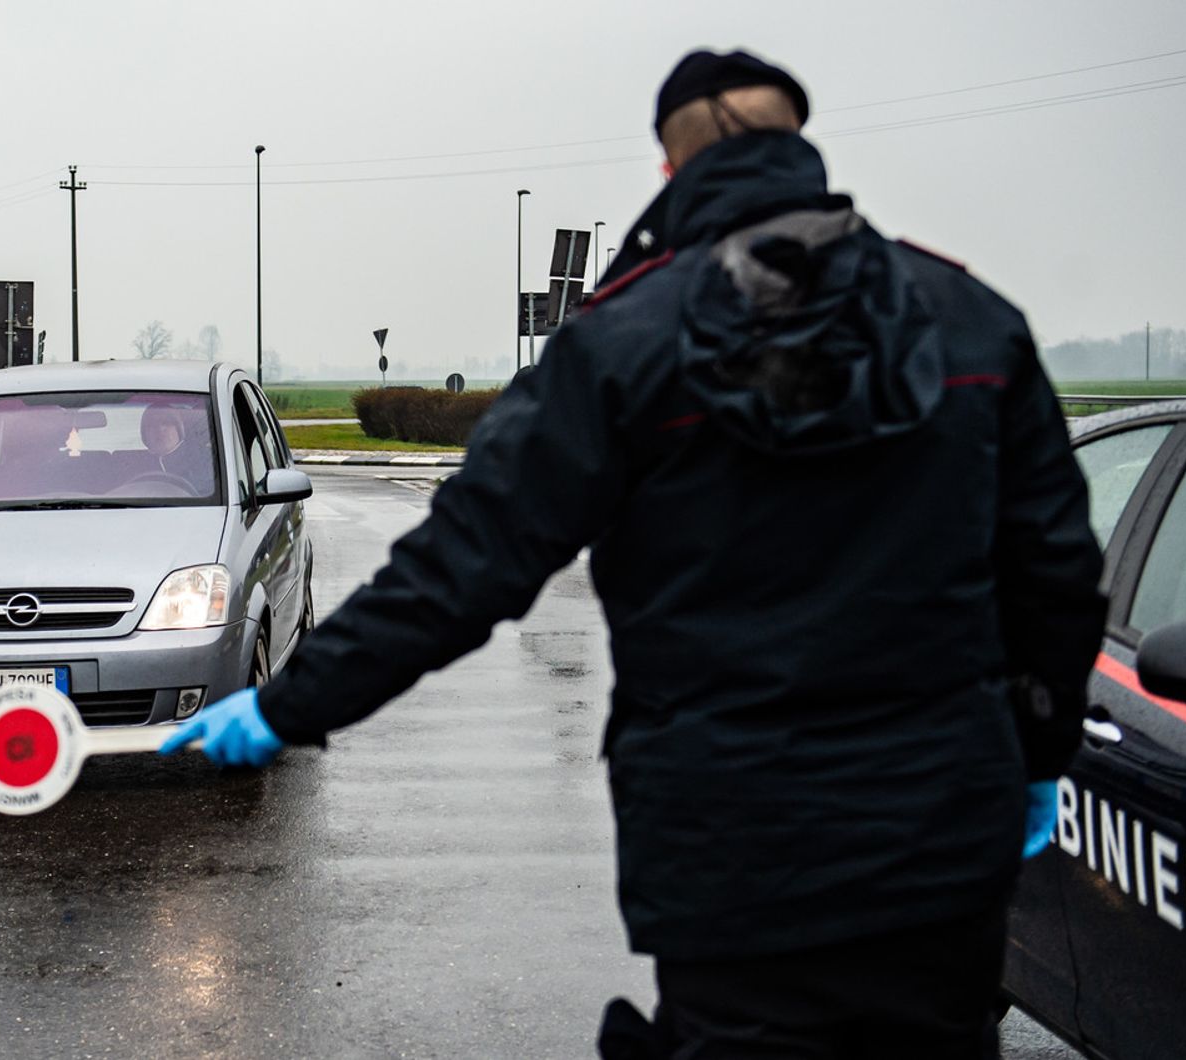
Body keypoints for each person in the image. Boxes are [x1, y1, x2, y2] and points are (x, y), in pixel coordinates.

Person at [163, 48, 1106, 1059]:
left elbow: (461, 567)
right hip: (943, 836)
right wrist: (1035, 758)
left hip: (729, 847)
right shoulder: (971, 321)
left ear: (671, 170)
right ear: (799, 150)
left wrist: (286, 705)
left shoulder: (622, 343)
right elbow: (1056, 574)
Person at [139, 404, 212, 493]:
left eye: (167, 422)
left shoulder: (205, 459)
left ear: (179, 430)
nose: (159, 429)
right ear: (145, 435)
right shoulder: (135, 466)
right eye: (151, 425)